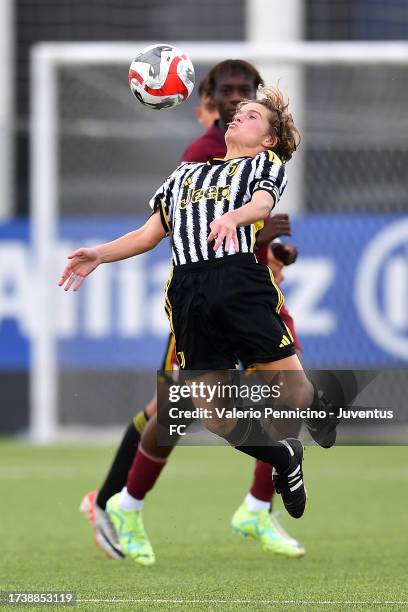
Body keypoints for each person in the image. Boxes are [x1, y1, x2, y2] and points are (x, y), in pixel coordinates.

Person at [59, 85, 340, 565]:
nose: (236, 117)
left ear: (268, 139)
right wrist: (99, 255)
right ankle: (284, 460)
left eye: (251, 116)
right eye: (237, 112)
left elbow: (263, 205)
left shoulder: (263, 166)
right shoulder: (184, 173)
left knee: (290, 392)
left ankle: (319, 404)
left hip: (239, 283)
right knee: (213, 413)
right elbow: (149, 234)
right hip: (188, 293)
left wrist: (236, 216)